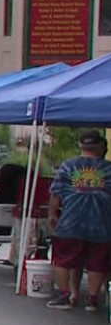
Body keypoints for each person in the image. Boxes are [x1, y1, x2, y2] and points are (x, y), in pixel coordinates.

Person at [46, 131, 111, 311]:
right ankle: (92, 299)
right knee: (97, 262)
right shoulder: (108, 169)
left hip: (70, 223)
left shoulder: (68, 166)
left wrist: (53, 214)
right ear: (100, 146)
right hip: (102, 224)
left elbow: (56, 193)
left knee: (63, 259)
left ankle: (65, 296)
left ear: (81, 146)